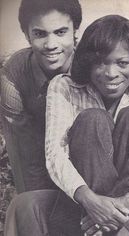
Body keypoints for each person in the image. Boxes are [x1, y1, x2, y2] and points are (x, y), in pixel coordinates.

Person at [44, 14, 129, 236]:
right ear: (88, 62)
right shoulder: (63, 87)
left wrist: (124, 205)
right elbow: (55, 155)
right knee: (93, 119)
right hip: (83, 211)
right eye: (100, 63)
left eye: (122, 63)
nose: (111, 74)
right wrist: (91, 201)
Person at [1, 0, 82, 235]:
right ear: (26, 35)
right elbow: (23, 154)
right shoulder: (13, 77)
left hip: (85, 165)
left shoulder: (91, 65)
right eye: (39, 34)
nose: (51, 44)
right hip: (39, 160)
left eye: (60, 32)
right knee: (28, 208)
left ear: (75, 30)